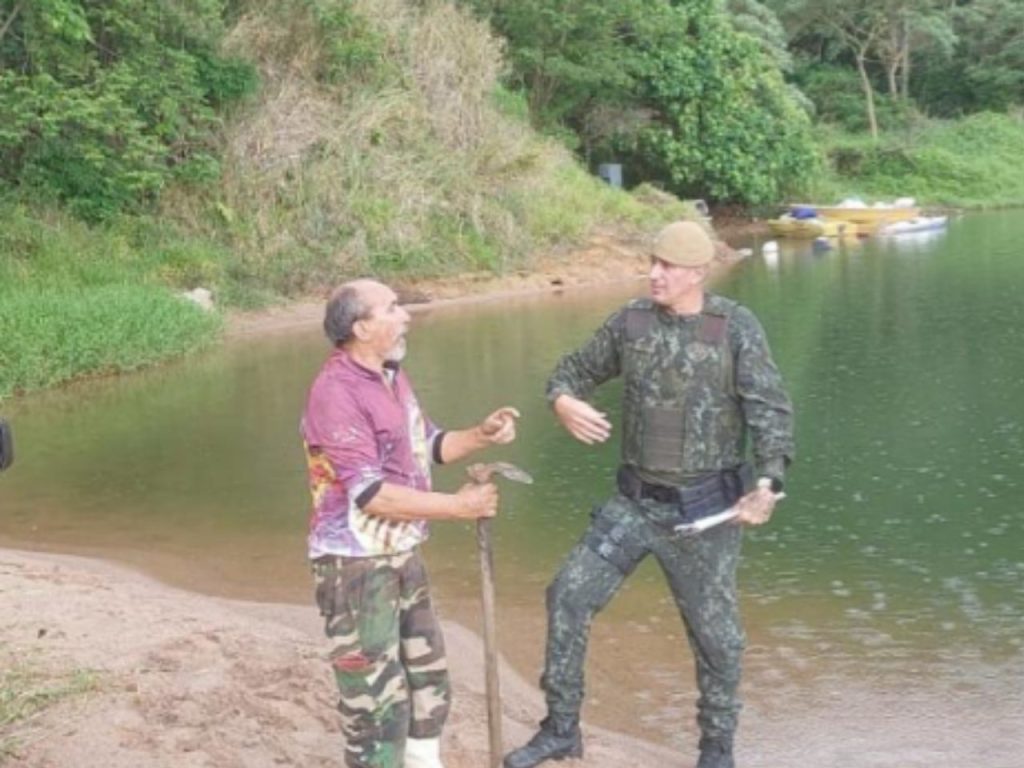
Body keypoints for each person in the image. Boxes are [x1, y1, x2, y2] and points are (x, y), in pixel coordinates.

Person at [504, 221, 794, 768]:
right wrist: (561, 401)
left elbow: (770, 410)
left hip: (705, 516)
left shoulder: (733, 327)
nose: (654, 273)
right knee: (567, 593)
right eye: (652, 262)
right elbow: (571, 370)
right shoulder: (631, 323)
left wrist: (768, 482)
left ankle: (716, 753)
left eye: (668, 266)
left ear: (698, 273)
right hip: (635, 505)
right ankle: (561, 729)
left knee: (717, 640)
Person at [301, 279, 520, 768]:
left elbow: (430, 446)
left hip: (402, 555)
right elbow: (372, 496)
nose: (406, 316)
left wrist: (480, 436)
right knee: (375, 704)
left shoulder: (391, 376)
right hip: (354, 567)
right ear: (362, 327)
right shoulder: (334, 393)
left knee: (428, 678)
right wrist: (460, 507)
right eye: (393, 308)